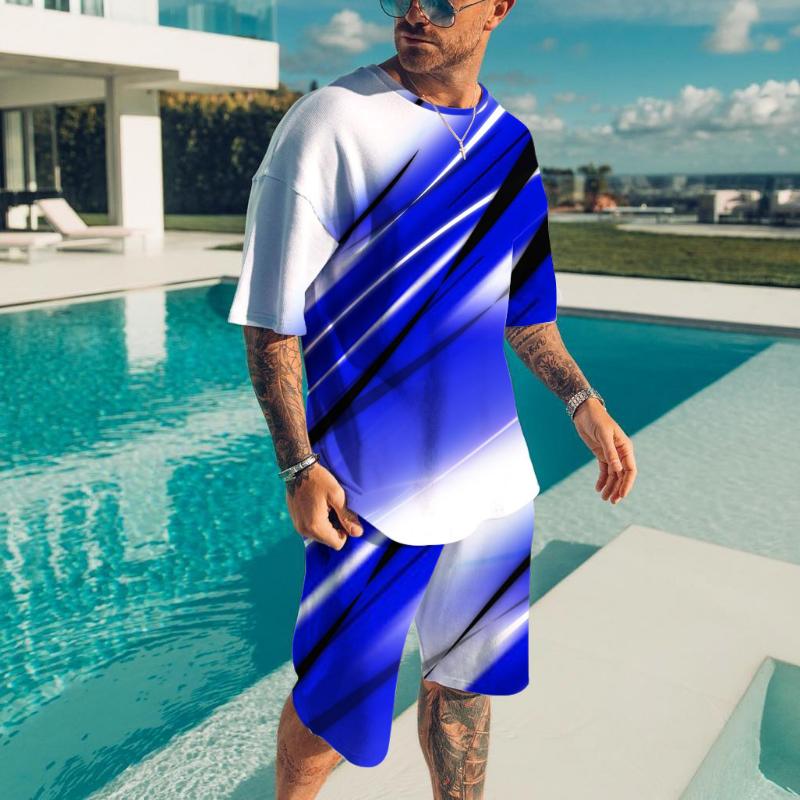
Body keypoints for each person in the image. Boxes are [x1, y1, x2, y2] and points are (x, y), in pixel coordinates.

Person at [227, 0, 638, 796]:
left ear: (498, 10)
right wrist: (298, 465)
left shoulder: (510, 145)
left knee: (465, 689)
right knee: (330, 712)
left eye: (445, 0)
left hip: (492, 482)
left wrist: (582, 400)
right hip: (369, 493)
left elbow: (526, 314)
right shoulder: (332, 122)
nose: (417, 12)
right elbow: (271, 321)